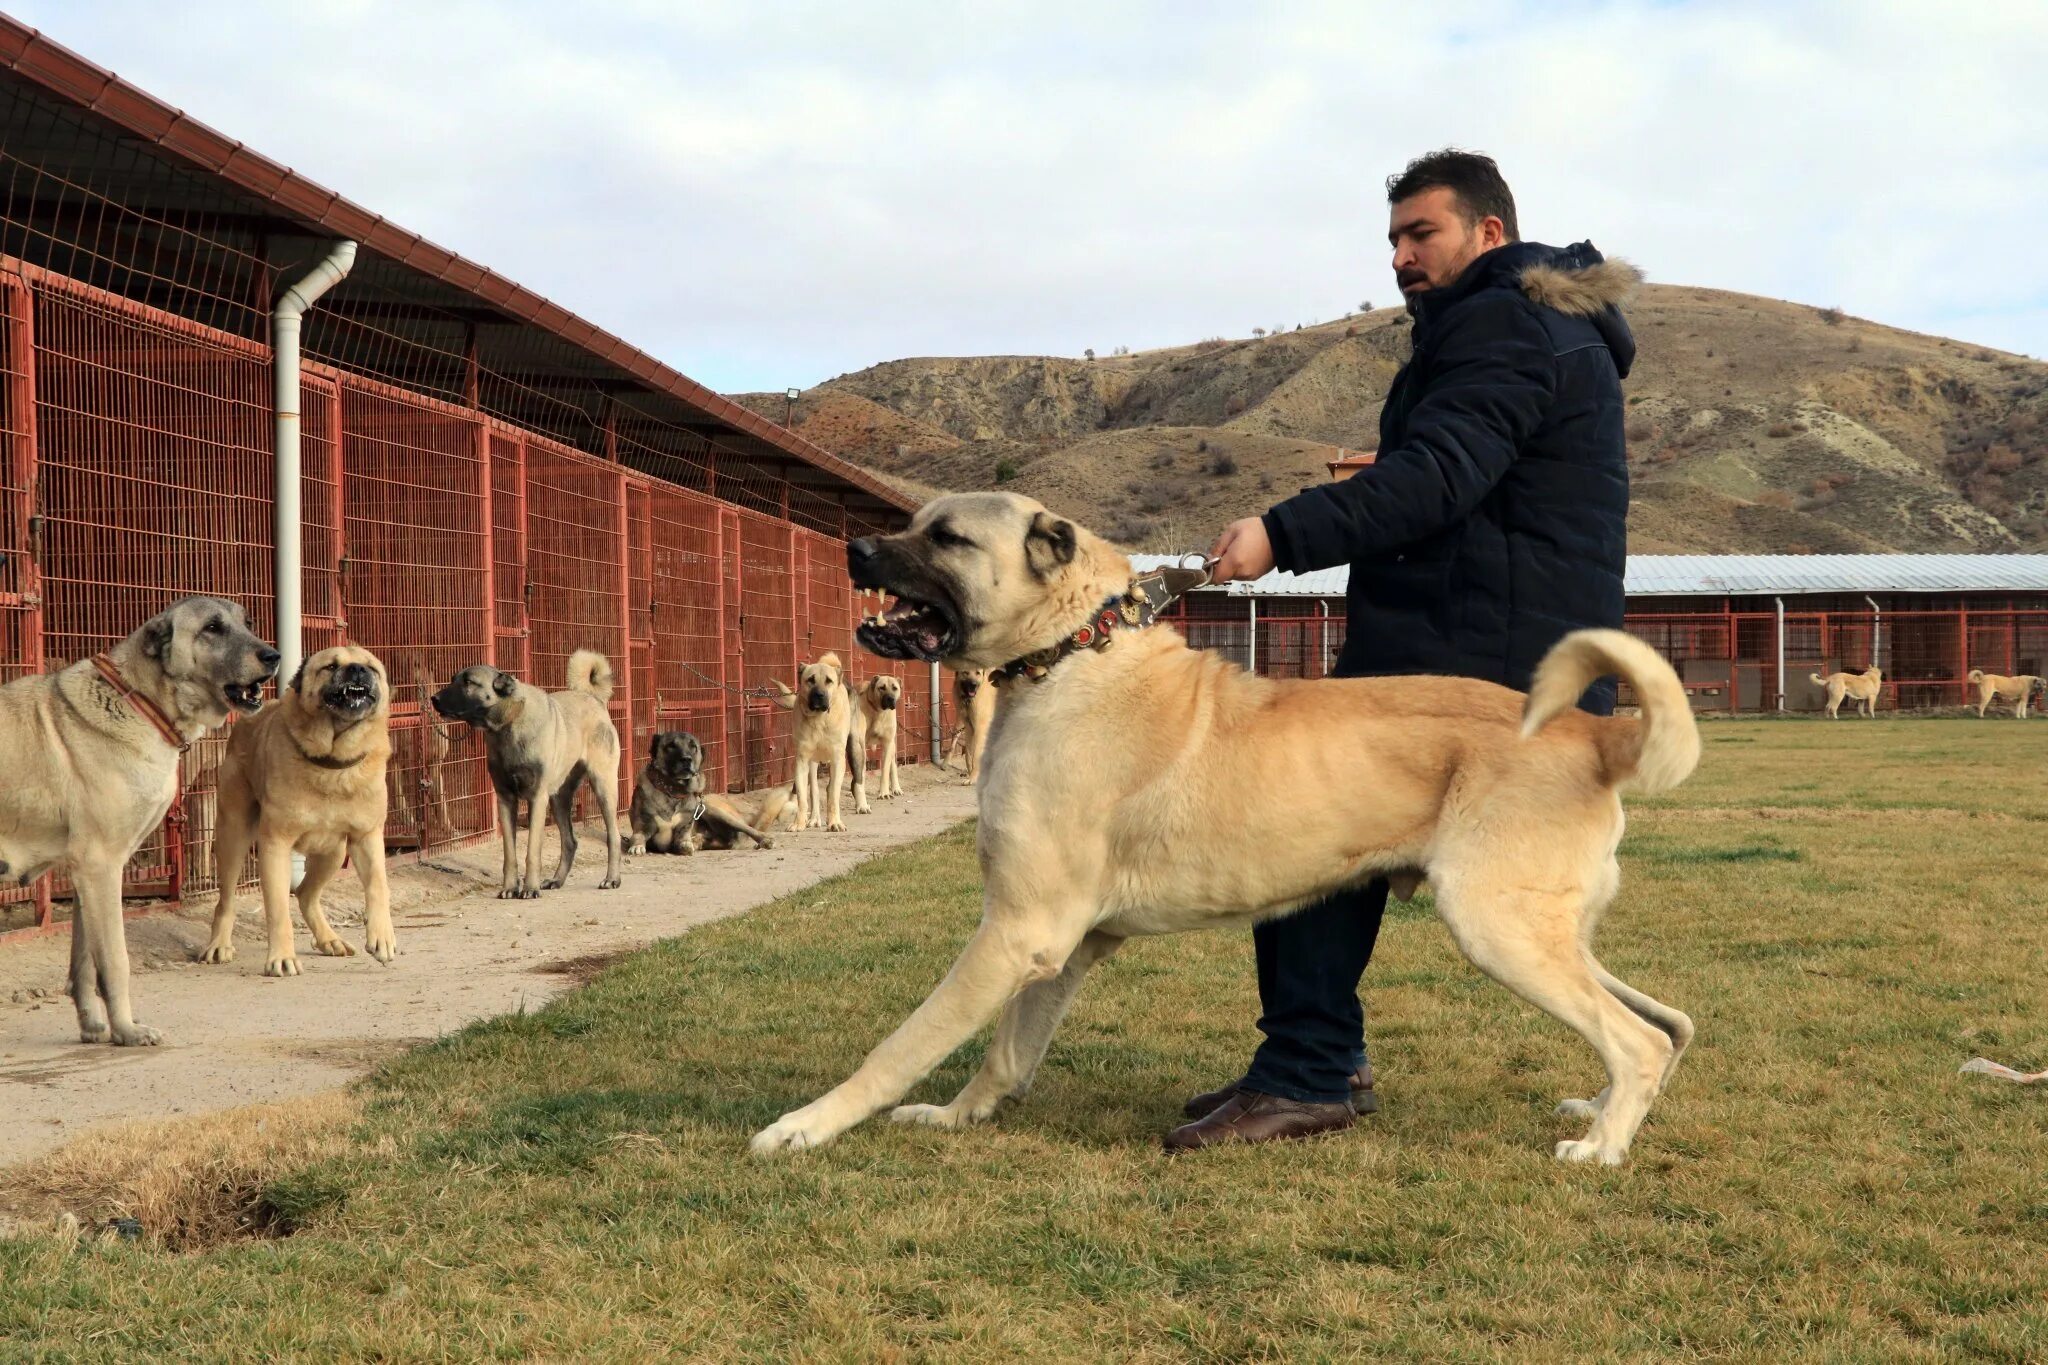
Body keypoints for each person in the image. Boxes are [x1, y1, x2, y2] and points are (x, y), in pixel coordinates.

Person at [1165, 148, 1638, 1151]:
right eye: (1390, 238)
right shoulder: (1509, 330)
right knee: (1310, 840)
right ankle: (1313, 1061)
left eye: (1419, 233)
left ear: (1488, 234)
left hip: (1481, 657)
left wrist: (1279, 534)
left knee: (1297, 830)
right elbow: (1469, 472)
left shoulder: (1506, 322)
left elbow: (1439, 479)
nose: (1398, 257)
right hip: (1489, 640)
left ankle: (1307, 1069)